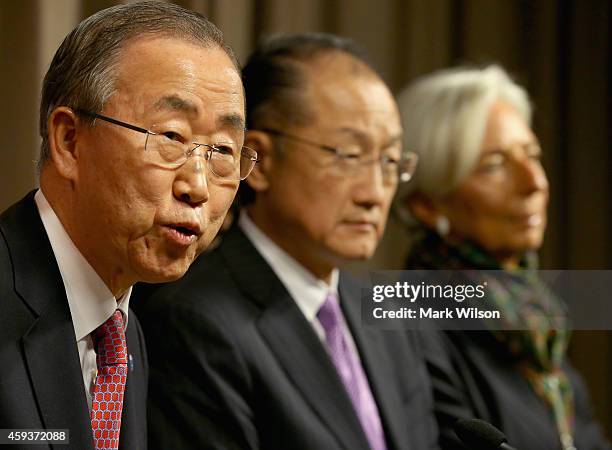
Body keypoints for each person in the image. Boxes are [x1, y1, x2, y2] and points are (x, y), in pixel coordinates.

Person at [134, 32, 437, 450]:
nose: (373, 193)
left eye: (388, 161)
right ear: (259, 161)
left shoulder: (385, 314)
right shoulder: (194, 321)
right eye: (349, 155)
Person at [0, 2, 253, 449]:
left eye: (223, 151)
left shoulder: (122, 328)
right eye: (172, 137)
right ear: (69, 141)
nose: (197, 186)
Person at [395, 65, 611, 450]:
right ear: (428, 204)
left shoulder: (539, 328)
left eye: (533, 154)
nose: (535, 182)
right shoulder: (410, 329)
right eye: (495, 165)